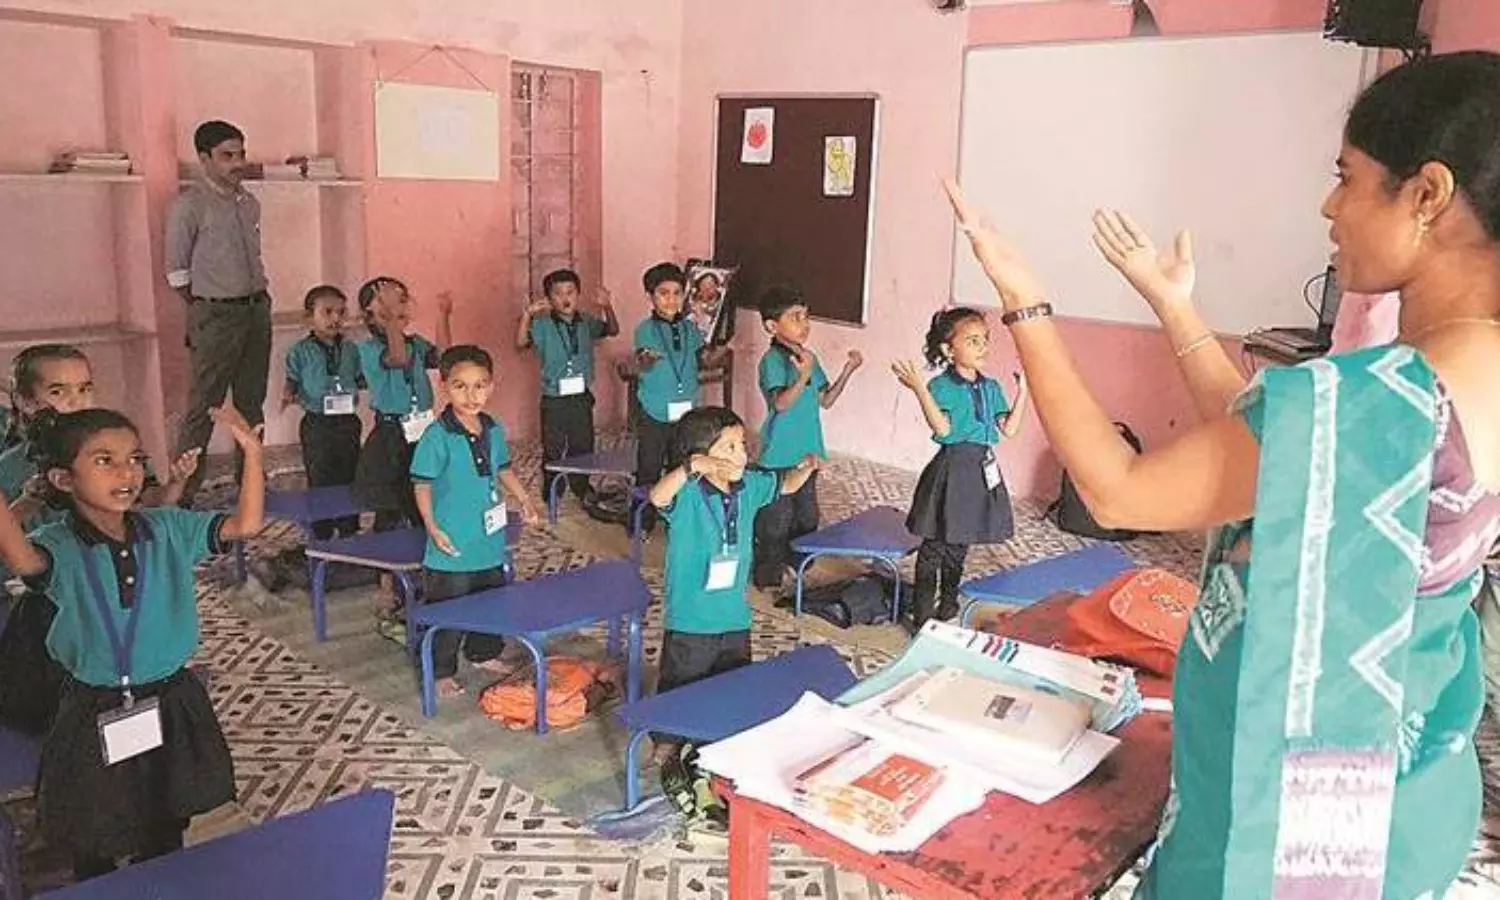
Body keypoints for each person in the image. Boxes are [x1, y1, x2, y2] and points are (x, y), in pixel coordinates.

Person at [944, 50, 1500, 898]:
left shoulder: (1385, 396)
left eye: (1347, 179)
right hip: (1405, 796)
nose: (1329, 208)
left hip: (1291, 823)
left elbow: (1119, 489)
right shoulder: (1453, 377)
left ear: (1428, 195)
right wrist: (1173, 304)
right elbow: (1270, 452)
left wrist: (1023, 301)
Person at [0, 403, 264, 882]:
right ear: (63, 479)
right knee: (96, 825)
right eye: (105, 460)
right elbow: (19, 556)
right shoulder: (58, 544)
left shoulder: (166, 527)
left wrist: (252, 452)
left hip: (170, 698)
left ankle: (161, 882)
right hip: (95, 703)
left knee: (167, 815)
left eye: (135, 459)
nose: (127, 472)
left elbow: (244, 526)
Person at [648, 407, 817, 708]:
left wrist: (805, 469)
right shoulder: (687, 494)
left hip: (735, 617)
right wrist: (689, 468)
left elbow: (785, 484)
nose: (742, 455)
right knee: (680, 698)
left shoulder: (749, 485)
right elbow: (658, 496)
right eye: (730, 447)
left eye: (741, 445)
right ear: (701, 455)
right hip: (691, 622)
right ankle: (667, 736)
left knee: (731, 690)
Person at [411, 345, 541, 699]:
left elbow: (503, 469)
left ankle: (484, 652)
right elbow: (422, 484)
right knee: (449, 609)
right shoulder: (437, 435)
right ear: (444, 387)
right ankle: (440, 669)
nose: (471, 396)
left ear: (491, 386)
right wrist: (432, 527)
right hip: (451, 542)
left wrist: (525, 499)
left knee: (489, 600)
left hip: (488, 539)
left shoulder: (492, 428)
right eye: (460, 386)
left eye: (480, 386)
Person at [891, 308, 1027, 628]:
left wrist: (1024, 392)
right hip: (951, 472)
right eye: (973, 341)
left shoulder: (991, 387)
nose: (983, 347)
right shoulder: (940, 386)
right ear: (949, 350)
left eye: (985, 340)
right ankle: (923, 614)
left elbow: (1008, 429)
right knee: (934, 547)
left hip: (979, 471)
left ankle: (948, 604)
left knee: (959, 543)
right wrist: (920, 389)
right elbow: (944, 429)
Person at [164, 120, 272, 506]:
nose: (237, 163)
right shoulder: (189, 206)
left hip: (256, 310)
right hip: (215, 314)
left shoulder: (249, 203)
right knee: (204, 407)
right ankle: (182, 497)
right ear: (204, 158)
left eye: (240, 154)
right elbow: (177, 273)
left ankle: (250, 487)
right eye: (227, 156)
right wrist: (209, 305)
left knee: (251, 402)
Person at [750, 286, 863, 590]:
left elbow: (825, 400)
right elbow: (780, 404)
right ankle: (768, 576)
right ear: (772, 326)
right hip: (778, 455)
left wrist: (848, 371)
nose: (804, 323)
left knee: (807, 518)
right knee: (776, 520)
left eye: (806, 316)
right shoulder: (772, 361)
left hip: (808, 453)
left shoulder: (808, 358)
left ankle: (798, 568)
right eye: (795, 317)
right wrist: (802, 375)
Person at [632, 262, 729, 532]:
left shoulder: (690, 328)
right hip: (655, 410)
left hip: (687, 413)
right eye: (663, 293)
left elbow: (704, 360)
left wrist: (726, 347)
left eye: (677, 293)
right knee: (649, 467)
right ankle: (641, 521)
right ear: (650, 296)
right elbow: (642, 362)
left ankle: (677, 520)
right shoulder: (645, 329)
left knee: (682, 467)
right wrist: (647, 359)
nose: (671, 300)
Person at [515, 268, 619, 503]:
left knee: (583, 444)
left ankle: (582, 487)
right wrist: (527, 315)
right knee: (553, 446)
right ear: (549, 299)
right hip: (554, 398)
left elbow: (612, 330)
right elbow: (521, 343)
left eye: (570, 292)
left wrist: (607, 307)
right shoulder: (542, 325)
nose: (565, 298)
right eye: (558, 293)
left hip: (581, 395)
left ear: (578, 294)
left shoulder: (587, 322)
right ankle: (552, 489)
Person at [281, 285, 363, 539]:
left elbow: (360, 378)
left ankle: (349, 529)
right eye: (327, 312)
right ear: (309, 318)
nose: (336, 318)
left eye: (341, 312)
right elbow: (292, 379)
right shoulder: (300, 351)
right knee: (320, 476)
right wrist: (288, 394)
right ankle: (322, 532)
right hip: (317, 423)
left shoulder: (352, 350)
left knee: (349, 475)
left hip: (347, 421)